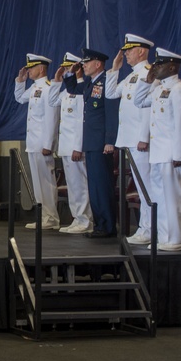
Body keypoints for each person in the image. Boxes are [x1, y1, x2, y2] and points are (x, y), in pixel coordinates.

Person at [132, 48, 181, 252]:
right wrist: (147, 81)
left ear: (172, 67)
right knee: (159, 197)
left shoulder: (179, 89)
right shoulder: (158, 89)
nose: (155, 68)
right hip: (158, 154)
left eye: (160, 65)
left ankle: (178, 238)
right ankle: (164, 236)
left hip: (172, 154)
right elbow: (139, 101)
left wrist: (180, 154)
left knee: (173, 197)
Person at [62, 48, 119, 238]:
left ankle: (108, 226)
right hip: (91, 142)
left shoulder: (105, 82)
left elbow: (111, 114)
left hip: (101, 143)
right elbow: (72, 89)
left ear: (98, 64)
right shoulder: (89, 83)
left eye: (87, 62)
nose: (83, 65)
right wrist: (71, 72)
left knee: (103, 186)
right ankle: (100, 225)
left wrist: (110, 140)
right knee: (94, 187)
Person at [107, 34, 154, 245]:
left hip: (139, 141)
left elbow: (148, 109)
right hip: (129, 140)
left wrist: (143, 137)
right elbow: (110, 93)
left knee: (146, 187)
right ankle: (146, 228)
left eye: (129, 50)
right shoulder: (131, 76)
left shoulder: (148, 74)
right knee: (141, 185)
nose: (125, 54)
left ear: (141, 51)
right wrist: (114, 69)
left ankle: (149, 229)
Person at [14, 53, 60, 230]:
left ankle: (52, 217)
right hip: (33, 142)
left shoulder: (49, 88)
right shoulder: (34, 88)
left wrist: (48, 144)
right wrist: (20, 80)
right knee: (38, 182)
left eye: (32, 68)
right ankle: (43, 216)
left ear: (41, 69)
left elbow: (51, 119)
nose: (29, 70)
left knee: (46, 182)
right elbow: (19, 98)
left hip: (42, 143)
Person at [48, 52, 93, 234]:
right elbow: (52, 101)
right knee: (73, 185)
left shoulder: (82, 90)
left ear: (78, 69)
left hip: (75, 146)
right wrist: (57, 80)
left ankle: (85, 220)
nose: (67, 71)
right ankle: (77, 218)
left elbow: (81, 121)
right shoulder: (68, 90)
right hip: (65, 146)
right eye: (65, 68)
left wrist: (78, 146)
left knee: (80, 185)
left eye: (70, 68)